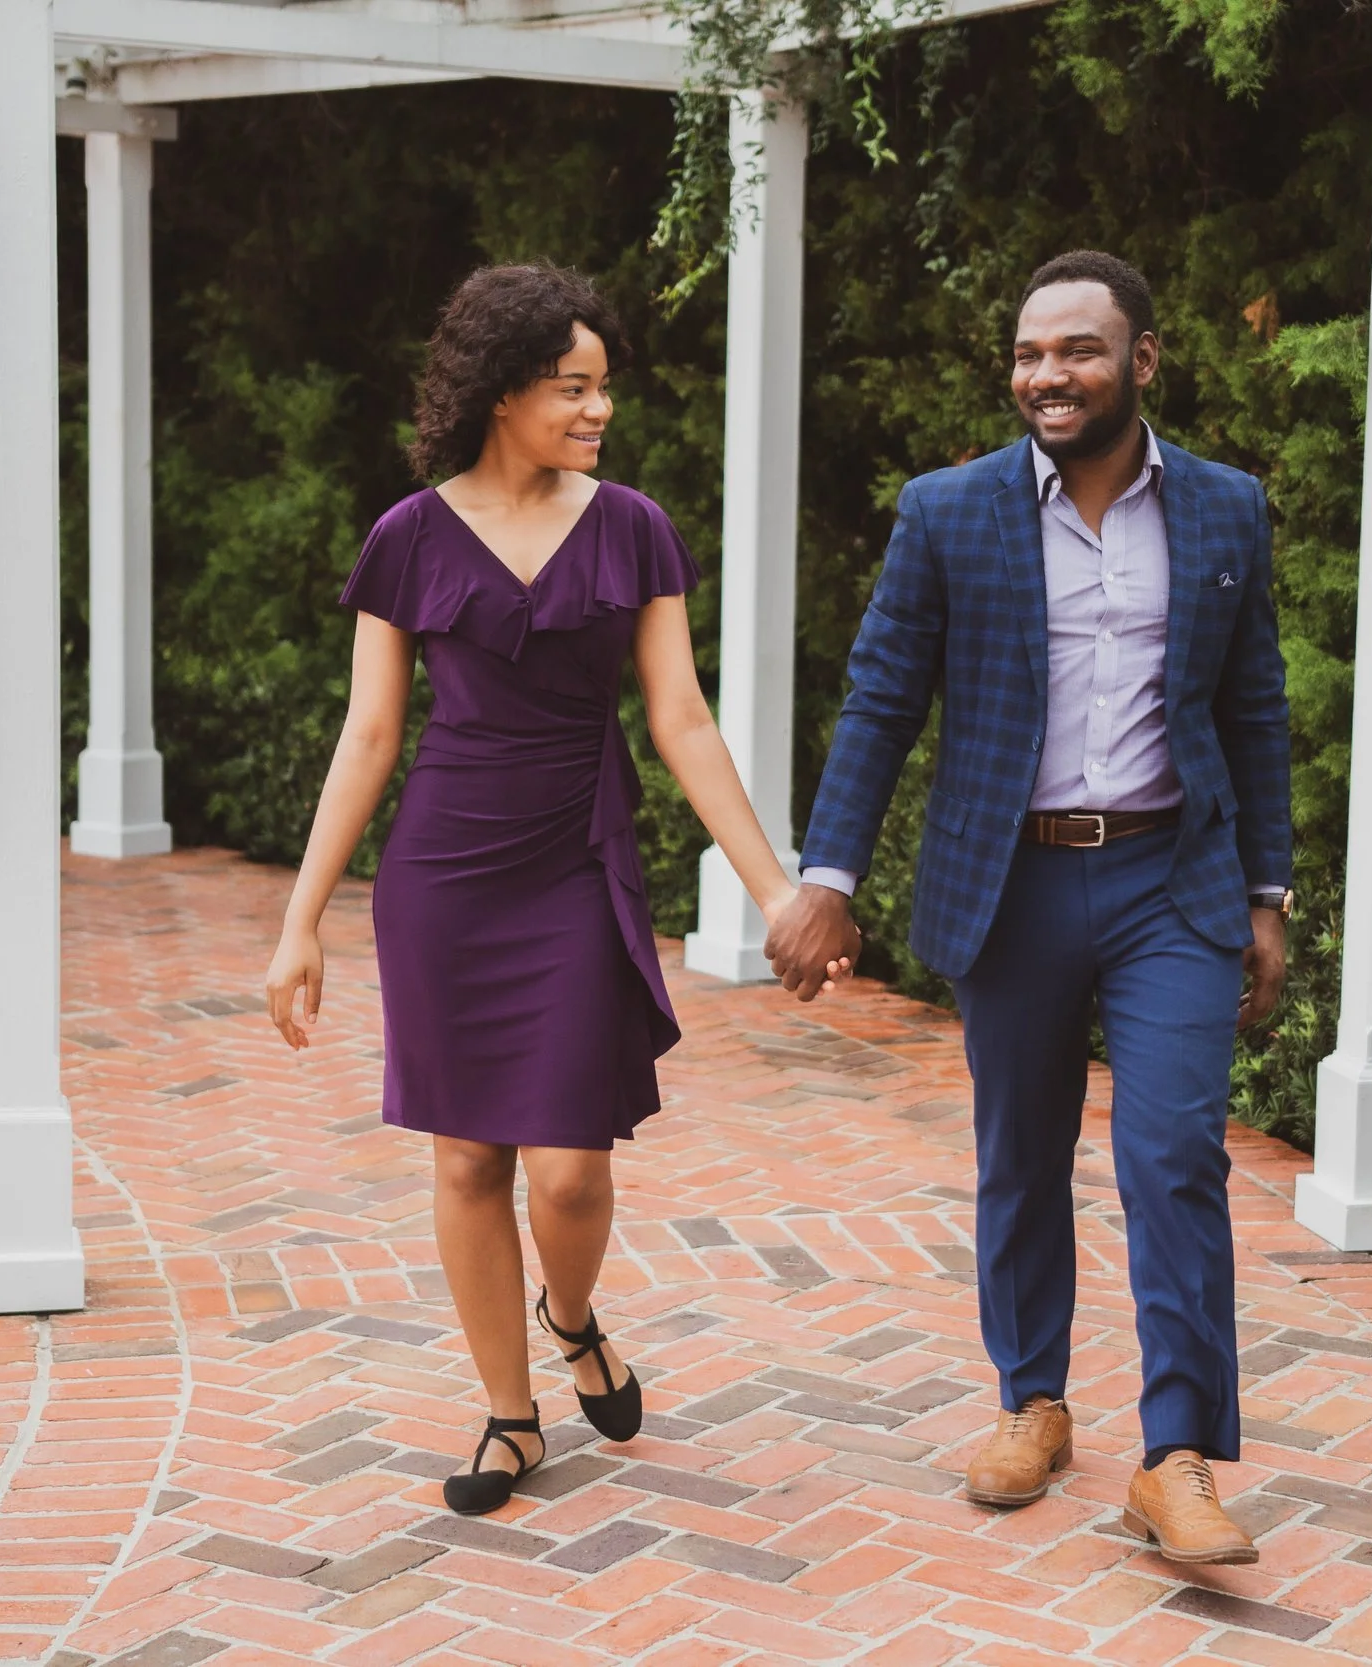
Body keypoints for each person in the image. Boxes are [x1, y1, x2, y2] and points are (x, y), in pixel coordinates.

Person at [264, 264, 841, 1516]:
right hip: (445, 873)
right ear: (499, 392)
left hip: (575, 858)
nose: (597, 411)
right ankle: (510, 1416)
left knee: (569, 1168)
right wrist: (300, 918)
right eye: (571, 389)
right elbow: (369, 735)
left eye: (602, 388)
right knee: (469, 1154)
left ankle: (570, 1315)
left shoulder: (633, 525)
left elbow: (681, 720)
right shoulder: (406, 537)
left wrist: (775, 890)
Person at [764, 250, 1293, 1564]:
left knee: (1173, 1152)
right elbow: (884, 699)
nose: (1046, 374)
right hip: (1012, 883)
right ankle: (1033, 1398)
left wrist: (1268, 892)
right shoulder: (951, 512)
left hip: (1174, 877)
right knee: (1022, 1153)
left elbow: (1255, 707)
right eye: (1029, 352)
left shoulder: (1226, 511)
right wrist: (827, 876)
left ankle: (1175, 1456)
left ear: (1145, 360)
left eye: (1078, 350)